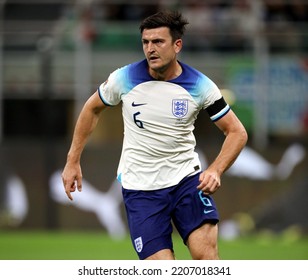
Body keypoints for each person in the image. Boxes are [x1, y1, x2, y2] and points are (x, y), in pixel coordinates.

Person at [62, 11, 248, 260]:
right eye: (145, 42)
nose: (150, 49)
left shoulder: (201, 85)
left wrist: (215, 170)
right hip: (141, 189)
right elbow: (91, 108)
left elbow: (237, 132)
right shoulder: (124, 78)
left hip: (186, 180)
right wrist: (73, 160)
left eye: (158, 42)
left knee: (207, 258)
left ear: (177, 45)